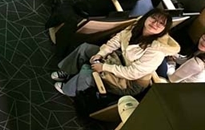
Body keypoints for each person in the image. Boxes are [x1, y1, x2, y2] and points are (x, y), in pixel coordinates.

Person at [51, 8, 179, 97]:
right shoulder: (136, 27)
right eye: (154, 18)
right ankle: (68, 73)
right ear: (147, 17)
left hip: (130, 82)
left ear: (164, 30)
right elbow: (117, 40)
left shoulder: (157, 50)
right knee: (85, 48)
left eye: (161, 24)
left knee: (89, 71)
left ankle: (68, 90)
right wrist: (101, 53)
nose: (155, 24)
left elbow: (132, 73)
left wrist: (104, 67)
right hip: (119, 60)